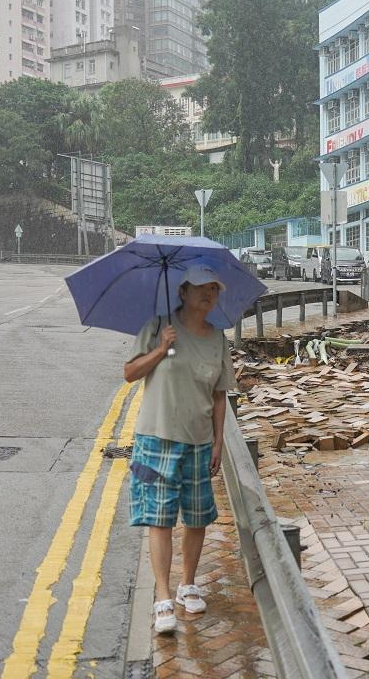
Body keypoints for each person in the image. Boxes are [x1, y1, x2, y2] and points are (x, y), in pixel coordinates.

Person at [123, 263, 236, 635]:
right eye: (202, 287)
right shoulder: (158, 326)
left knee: (198, 517)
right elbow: (130, 372)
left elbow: (219, 396)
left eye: (214, 289)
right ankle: (162, 596)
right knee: (160, 519)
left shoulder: (218, 338)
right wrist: (161, 349)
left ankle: (188, 583)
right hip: (156, 438)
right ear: (183, 292)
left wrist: (218, 442)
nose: (209, 294)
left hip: (199, 441)